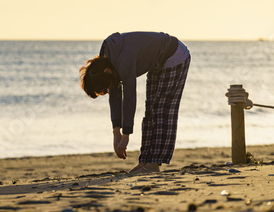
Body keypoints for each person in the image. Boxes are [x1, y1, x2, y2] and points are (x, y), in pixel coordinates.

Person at [79, 31, 190, 174]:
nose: (107, 90)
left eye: (105, 88)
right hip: (157, 62)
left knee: (161, 109)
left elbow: (129, 98)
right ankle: (145, 160)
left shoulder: (124, 59)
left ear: (107, 72)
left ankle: (154, 163)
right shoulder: (105, 59)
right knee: (150, 110)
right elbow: (115, 96)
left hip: (174, 55)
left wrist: (126, 136)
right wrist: (116, 131)